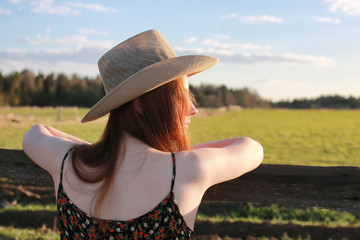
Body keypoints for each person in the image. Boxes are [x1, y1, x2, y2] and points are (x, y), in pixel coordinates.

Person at [22, 29, 263, 239]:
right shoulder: (187, 169)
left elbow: (36, 133)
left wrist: (102, 152)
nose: (193, 109)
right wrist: (177, 155)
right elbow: (251, 147)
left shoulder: (67, 162)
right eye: (180, 97)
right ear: (140, 105)